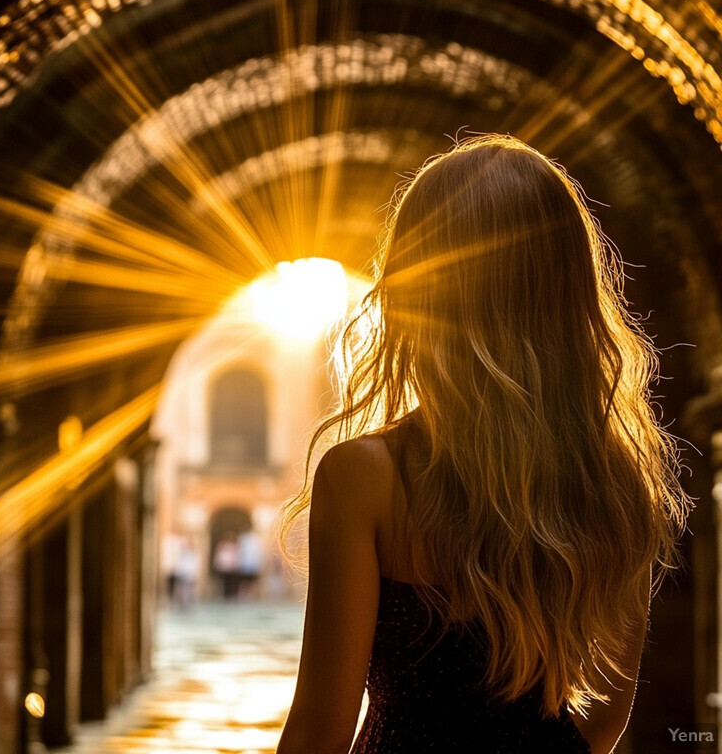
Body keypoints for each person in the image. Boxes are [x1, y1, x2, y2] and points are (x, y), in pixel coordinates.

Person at [275, 134, 692, 754]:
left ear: (414, 292)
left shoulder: (366, 476)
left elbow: (320, 730)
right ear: (571, 294)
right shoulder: (621, 481)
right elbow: (603, 720)